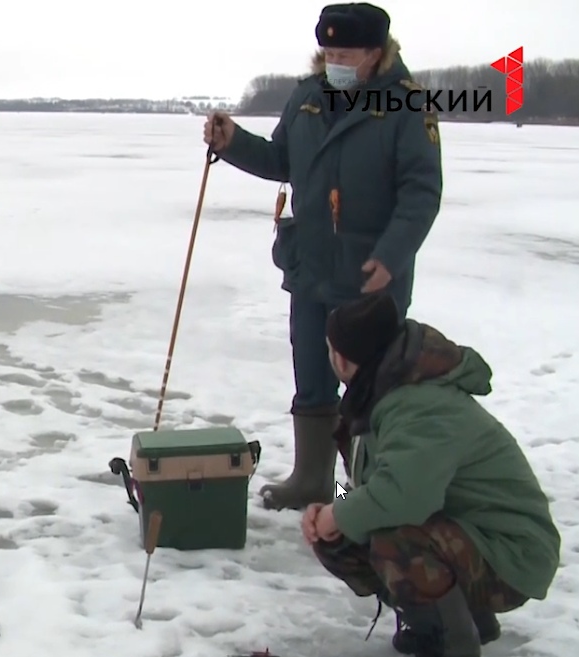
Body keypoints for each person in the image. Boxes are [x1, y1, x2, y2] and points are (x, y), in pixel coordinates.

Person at [202, 2, 444, 511]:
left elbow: (420, 192)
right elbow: (280, 159)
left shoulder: (406, 104)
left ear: (376, 54)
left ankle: (366, 492)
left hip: (368, 276)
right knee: (311, 375)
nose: (334, 60)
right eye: (328, 51)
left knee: (371, 389)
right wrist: (233, 143)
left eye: (346, 53)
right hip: (310, 267)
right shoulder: (308, 97)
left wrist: (391, 256)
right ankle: (315, 481)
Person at [302, 292, 560, 657]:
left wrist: (338, 514)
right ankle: (454, 621)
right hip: (464, 533)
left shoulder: (420, 405)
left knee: (396, 538)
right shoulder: (377, 394)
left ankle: (455, 643)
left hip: (511, 553)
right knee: (341, 536)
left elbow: (403, 498)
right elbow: (370, 487)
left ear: (341, 358)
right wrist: (332, 510)